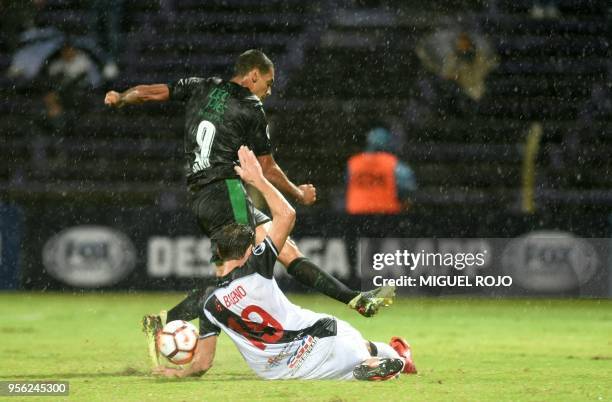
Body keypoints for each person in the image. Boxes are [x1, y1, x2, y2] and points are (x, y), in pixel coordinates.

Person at [104, 50, 394, 365]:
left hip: (202, 193)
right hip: (227, 191)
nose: (269, 92)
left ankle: (355, 299)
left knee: (287, 251)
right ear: (253, 75)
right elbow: (267, 167)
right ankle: (169, 325)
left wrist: (121, 97)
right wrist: (297, 192)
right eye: (267, 83)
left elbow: (154, 92)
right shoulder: (250, 106)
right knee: (230, 280)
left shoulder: (202, 86)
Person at [153, 146, 417, 380]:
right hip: (317, 341)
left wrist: (175, 372)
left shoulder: (209, 304)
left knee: (341, 361)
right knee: (346, 340)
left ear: (216, 254)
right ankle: (380, 359)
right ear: (247, 251)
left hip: (279, 372)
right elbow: (287, 215)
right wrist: (258, 180)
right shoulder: (256, 268)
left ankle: (384, 358)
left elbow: (202, 364)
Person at [346, 127, 416, 214]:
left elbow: (346, 184)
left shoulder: (353, 163)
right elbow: (407, 190)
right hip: (385, 216)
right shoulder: (394, 164)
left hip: (356, 217)